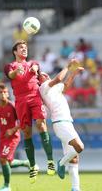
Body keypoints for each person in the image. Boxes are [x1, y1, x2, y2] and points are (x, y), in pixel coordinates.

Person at [4, 40, 54, 183]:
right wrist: (16, 71)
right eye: (21, 48)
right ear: (15, 51)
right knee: (26, 132)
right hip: (20, 100)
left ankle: (50, 161)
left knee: (41, 124)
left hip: (34, 96)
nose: (24, 49)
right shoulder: (10, 66)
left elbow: (36, 67)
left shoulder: (33, 63)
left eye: (25, 48)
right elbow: (11, 75)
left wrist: (34, 69)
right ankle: (33, 166)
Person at [38, 59, 84, 191]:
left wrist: (74, 74)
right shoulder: (43, 88)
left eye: (46, 74)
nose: (45, 75)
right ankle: (61, 162)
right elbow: (58, 79)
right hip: (60, 123)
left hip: (67, 122)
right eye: (42, 75)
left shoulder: (54, 88)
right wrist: (67, 66)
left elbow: (66, 85)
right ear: (40, 81)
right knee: (79, 147)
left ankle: (75, 188)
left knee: (74, 158)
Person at [0, 83, 30, 191]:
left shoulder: (13, 106)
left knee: (3, 159)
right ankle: (26, 163)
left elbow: (23, 121)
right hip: (3, 137)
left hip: (13, 137)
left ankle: (6, 185)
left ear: (8, 94)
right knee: (7, 162)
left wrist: (13, 130)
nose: (3, 94)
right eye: (0, 92)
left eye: (5, 92)